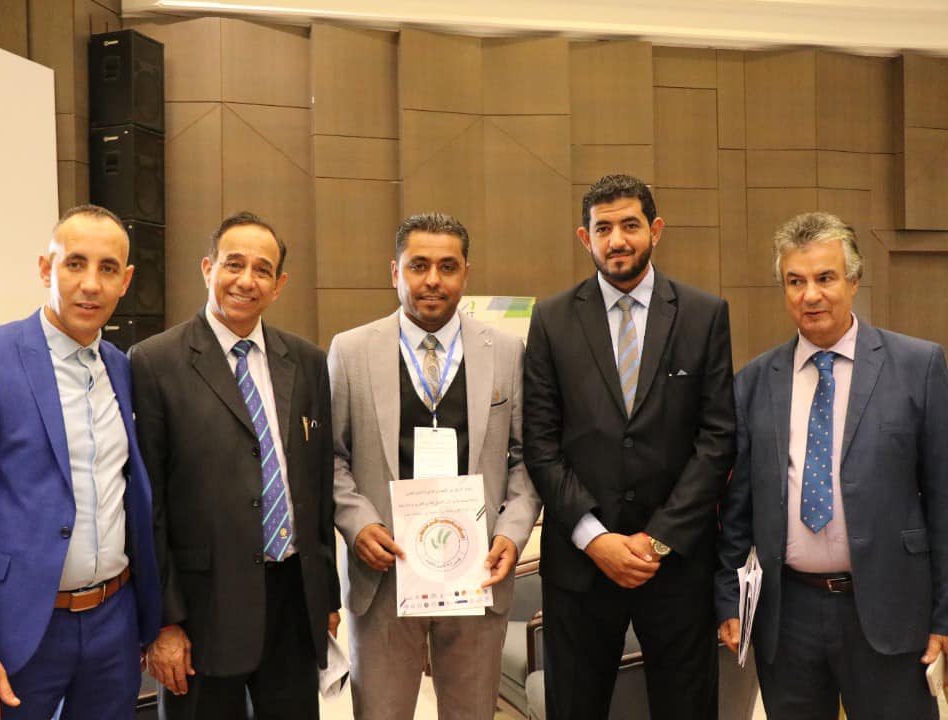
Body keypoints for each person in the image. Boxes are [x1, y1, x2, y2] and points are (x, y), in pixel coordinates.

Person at [0, 204, 162, 720]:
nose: (90, 284)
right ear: (46, 269)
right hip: (16, 629)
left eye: (107, 268)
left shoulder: (122, 368)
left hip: (113, 627)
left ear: (125, 282)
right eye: (75, 263)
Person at [716, 211, 948, 719]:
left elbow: (943, 500)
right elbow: (737, 509)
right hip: (789, 616)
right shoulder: (754, 381)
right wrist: (730, 599)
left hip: (891, 607)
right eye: (795, 281)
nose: (811, 295)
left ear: (854, 280)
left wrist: (945, 616)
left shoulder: (918, 366)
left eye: (825, 278)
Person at [523, 174, 736, 719]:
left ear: (655, 229)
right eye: (603, 228)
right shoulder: (550, 319)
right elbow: (541, 444)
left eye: (630, 225)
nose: (617, 240)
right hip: (581, 565)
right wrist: (596, 539)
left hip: (675, 564)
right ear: (584, 237)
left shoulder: (703, 314)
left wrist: (657, 540)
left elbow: (716, 439)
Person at [328, 212, 541, 719]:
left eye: (447, 267)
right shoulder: (350, 351)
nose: (432, 280)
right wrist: (358, 525)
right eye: (418, 265)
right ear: (395, 272)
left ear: (466, 273)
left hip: (477, 570)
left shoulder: (506, 351)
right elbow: (329, 458)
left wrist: (511, 533)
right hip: (384, 571)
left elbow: (527, 457)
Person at [130, 212, 340, 720]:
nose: (247, 280)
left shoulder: (308, 362)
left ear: (279, 284)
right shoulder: (155, 362)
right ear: (208, 268)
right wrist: (164, 622)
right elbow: (147, 505)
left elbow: (317, 488)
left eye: (262, 270)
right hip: (203, 612)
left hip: (293, 603)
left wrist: (326, 597)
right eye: (234, 264)